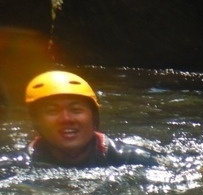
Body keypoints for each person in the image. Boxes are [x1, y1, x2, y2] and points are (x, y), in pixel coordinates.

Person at [24, 70, 158, 168]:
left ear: (94, 117)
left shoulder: (134, 160)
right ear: (37, 121)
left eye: (76, 110)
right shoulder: (14, 165)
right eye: (52, 111)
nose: (66, 119)